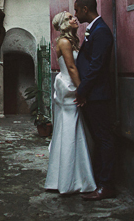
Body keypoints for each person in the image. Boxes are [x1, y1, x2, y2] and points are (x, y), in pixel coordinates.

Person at [44, 11, 97, 195]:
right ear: (63, 24)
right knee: (69, 130)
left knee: (74, 130)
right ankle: (68, 180)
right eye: (69, 18)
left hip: (71, 86)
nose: (74, 19)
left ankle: (72, 177)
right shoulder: (64, 42)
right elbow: (71, 67)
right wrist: (82, 90)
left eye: (73, 17)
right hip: (69, 88)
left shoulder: (72, 40)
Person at [73, 0, 117, 201]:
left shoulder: (101, 32)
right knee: (99, 139)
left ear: (84, 9)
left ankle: (107, 185)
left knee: (104, 139)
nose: (75, 14)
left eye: (76, 10)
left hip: (97, 95)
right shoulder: (94, 29)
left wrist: (82, 91)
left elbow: (96, 66)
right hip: (93, 94)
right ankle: (100, 181)